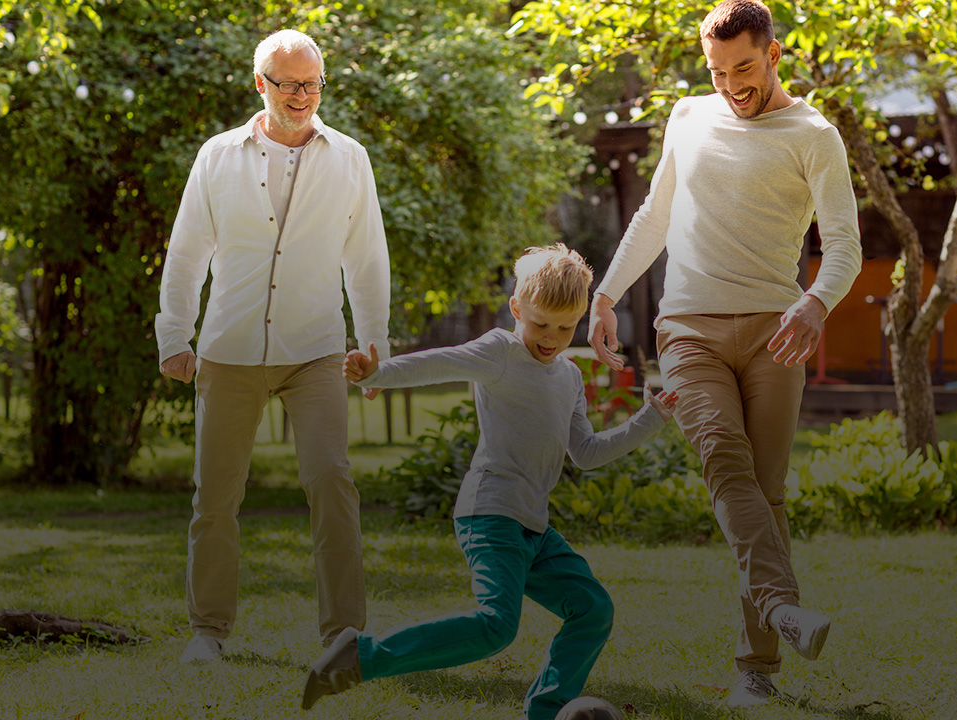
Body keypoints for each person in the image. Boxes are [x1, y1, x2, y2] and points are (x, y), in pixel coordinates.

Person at [587, 0, 863, 708]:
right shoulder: (688, 116)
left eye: (743, 67)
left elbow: (845, 245)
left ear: (774, 55)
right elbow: (655, 213)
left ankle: (756, 670)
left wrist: (815, 302)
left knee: (764, 496)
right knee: (725, 464)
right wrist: (607, 293)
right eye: (717, 70)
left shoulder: (814, 134)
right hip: (688, 330)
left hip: (777, 331)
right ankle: (781, 612)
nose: (731, 84)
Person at [301, 244, 678, 719]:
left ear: (582, 318)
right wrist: (378, 372)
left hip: (533, 530)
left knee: (593, 609)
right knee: (497, 626)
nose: (551, 338)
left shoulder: (568, 377)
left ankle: (547, 711)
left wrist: (652, 417)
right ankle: (361, 657)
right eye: (540, 323)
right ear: (517, 307)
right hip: (490, 515)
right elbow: (442, 361)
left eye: (565, 328)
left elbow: (585, 453)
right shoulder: (500, 351)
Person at [154, 28, 391, 663]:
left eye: (312, 83)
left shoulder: (350, 157)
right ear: (261, 84)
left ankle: (343, 633)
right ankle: (208, 632)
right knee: (215, 495)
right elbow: (185, 253)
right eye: (288, 84)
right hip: (229, 349)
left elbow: (366, 259)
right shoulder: (218, 156)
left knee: (332, 481)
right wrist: (174, 335)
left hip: (314, 348)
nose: (302, 95)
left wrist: (374, 344)